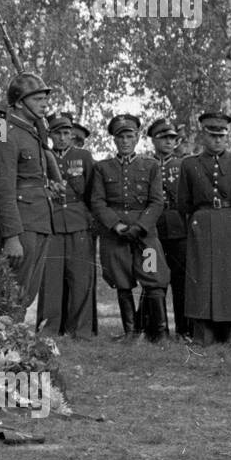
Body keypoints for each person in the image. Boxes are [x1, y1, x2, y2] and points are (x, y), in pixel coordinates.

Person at [90, 114, 170, 341]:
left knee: (153, 277)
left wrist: (140, 227)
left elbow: (157, 202)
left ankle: (160, 333)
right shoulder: (103, 168)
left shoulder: (151, 165)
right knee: (122, 280)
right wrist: (116, 226)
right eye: (120, 137)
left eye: (129, 136)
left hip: (145, 235)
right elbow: (97, 201)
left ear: (137, 138)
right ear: (113, 140)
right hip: (116, 235)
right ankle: (131, 333)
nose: (125, 141)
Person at [177, 111, 231, 345]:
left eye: (221, 135)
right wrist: (197, 222)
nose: (217, 140)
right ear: (203, 135)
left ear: (228, 136)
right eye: (212, 135)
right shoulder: (190, 164)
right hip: (202, 222)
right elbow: (184, 202)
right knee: (202, 277)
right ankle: (204, 333)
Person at [0, 72, 59, 319]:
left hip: (39, 222)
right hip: (21, 227)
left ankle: (10, 350)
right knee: (11, 296)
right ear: (19, 103)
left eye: (44, 98)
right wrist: (11, 236)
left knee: (25, 296)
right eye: (37, 99)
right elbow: (2, 188)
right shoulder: (3, 131)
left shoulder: (32, 132)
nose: (45, 104)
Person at [38, 112, 94, 336]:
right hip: (51, 221)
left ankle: (80, 329)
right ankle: (50, 328)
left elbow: (92, 192)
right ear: (50, 134)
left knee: (79, 277)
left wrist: (90, 222)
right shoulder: (43, 156)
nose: (62, 137)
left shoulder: (84, 156)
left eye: (66, 133)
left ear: (72, 134)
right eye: (57, 133)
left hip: (78, 222)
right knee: (51, 277)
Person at [148, 118, 188, 339]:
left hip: (178, 231)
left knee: (181, 281)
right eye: (163, 138)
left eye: (172, 138)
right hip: (150, 232)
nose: (168, 142)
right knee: (151, 276)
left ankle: (184, 329)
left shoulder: (183, 165)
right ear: (153, 140)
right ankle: (155, 329)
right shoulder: (144, 164)